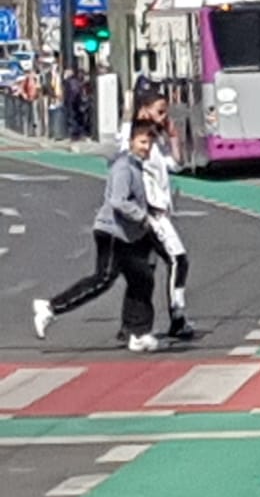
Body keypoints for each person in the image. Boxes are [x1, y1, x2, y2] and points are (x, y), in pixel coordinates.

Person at [33, 119, 164, 352]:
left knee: (142, 279)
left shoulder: (134, 166)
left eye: (150, 143)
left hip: (128, 234)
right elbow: (118, 201)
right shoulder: (124, 167)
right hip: (112, 232)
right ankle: (51, 308)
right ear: (131, 141)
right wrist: (142, 216)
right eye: (142, 142)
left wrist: (150, 212)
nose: (147, 147)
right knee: (103, 279)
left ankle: (137, 332)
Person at [119, 91, 195, 340]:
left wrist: (173, 137)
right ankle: (177, 316)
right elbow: (126, 158)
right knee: (177, 259)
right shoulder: (134, 137)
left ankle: (131, 325)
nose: (164, 117)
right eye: (160, 112)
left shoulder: (156, 139)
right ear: (144, 110)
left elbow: (176, 164)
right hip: (150, 212)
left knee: (144, 270)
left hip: (158, 211)